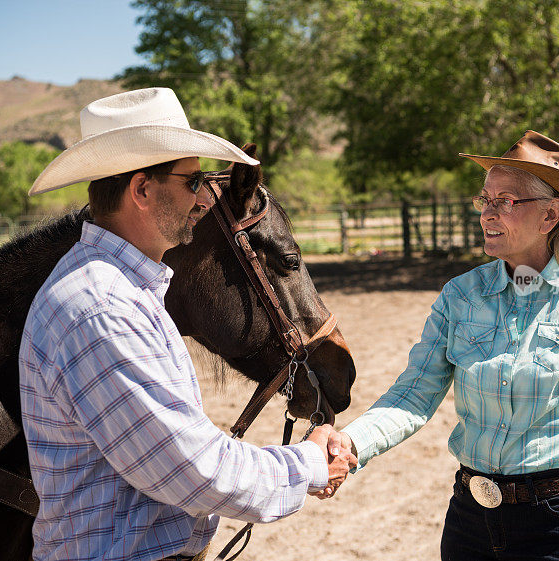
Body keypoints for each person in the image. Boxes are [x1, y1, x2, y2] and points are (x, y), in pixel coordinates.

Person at [18, 87, 355, 561]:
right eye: (194, 182)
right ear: (142, 190)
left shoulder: (126, 292)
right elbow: (194, 472)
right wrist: (311, 463)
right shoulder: (101, 309)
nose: (204, 200)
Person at [326, 131, 559, 561]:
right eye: (485, 199)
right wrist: (350, 444)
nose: (488, 213)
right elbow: (413, 394)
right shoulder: (460, 295)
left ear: (550, 215)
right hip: (472, 522)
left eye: (505, 200)